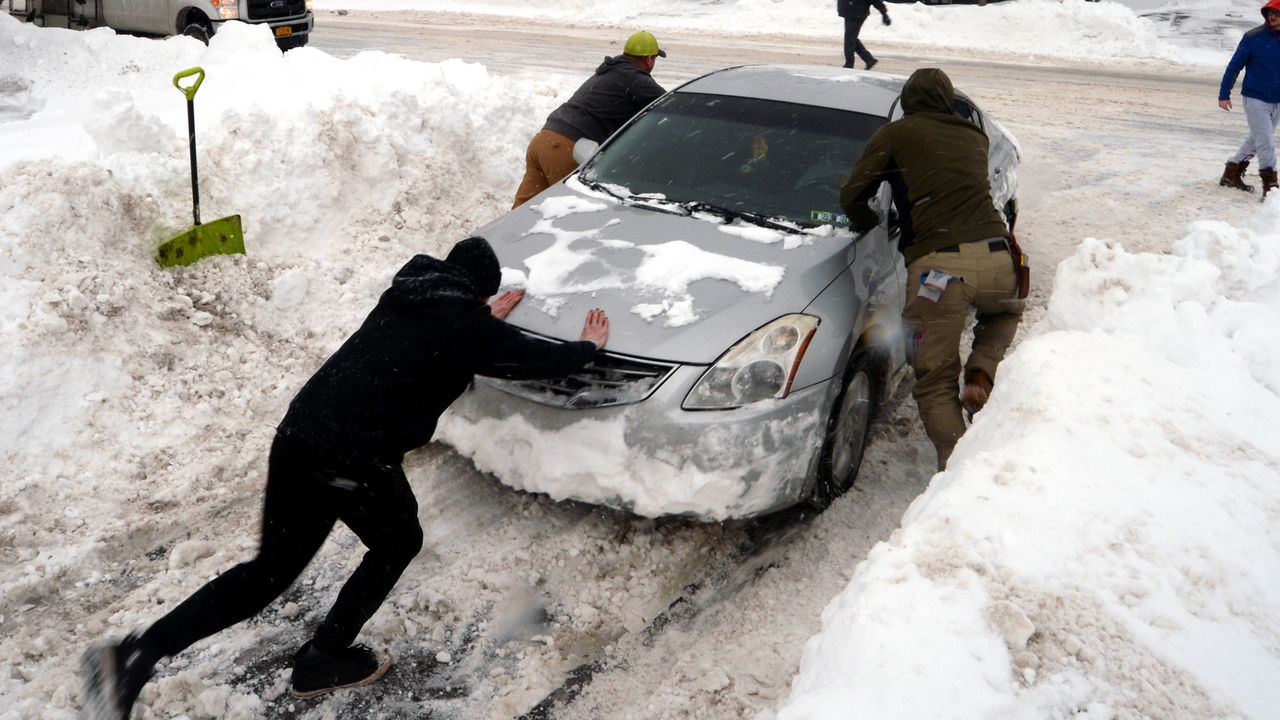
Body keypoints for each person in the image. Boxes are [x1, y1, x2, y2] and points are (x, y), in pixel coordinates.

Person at [80, 237, 610, 719]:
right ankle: (323, 659)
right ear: (479, 293)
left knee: (269, 569)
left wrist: (479, 319)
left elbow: (447, 335)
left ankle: (134, 652)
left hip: (300, 433)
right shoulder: (463, 327)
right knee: (399, 541)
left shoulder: (407, 298)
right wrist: (586, 347)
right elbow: (531, 360)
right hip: (351, 456)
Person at [840, 68, 1023, 471]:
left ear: (908, 101)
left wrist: (865, 220)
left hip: (938, 272)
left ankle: (959, 470)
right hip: (997, 257)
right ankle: (982, 373)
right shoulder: (975, 137)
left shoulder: (896, 134)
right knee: (1004, 314)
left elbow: (854, 193)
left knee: (935, 378)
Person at [512, 30, 667, 208]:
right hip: (568, 148)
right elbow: (671, 105)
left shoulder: (608, 72)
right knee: (569, 210)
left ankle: (502, 236)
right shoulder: (635, 79)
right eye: (654, 58)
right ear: (649, 59)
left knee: (522, 210)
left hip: (543, 140)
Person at [1218, 0, 1280, 197]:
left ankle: (1232, 172)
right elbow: (1234, 66)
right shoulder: (1254, 37)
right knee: (1266, 142)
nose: (1272, 17)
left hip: (1278, 100)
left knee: (1257, 138)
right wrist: (1224, 94)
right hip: (1256, 98)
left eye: (1276, 13)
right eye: (1269, 13)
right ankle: (1271, 189)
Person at [836, 0, 890, 71]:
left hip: (857, 12)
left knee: (849, 39)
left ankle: (849, 64)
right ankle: (869, 59)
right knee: (851, 38)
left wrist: (884, 13)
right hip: (851, 11)